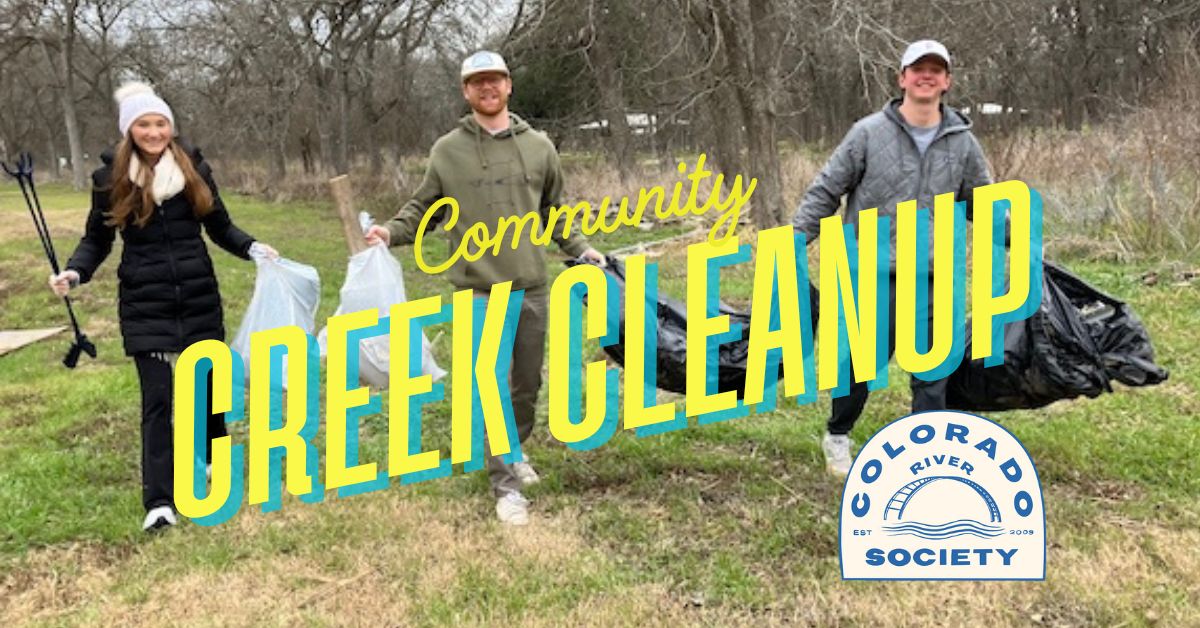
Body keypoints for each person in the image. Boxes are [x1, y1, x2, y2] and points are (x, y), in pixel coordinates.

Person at [365, 50, 605, 525]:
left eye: (494, 80)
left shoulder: (539, 146)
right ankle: (506, 487)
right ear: (465, 91)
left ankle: (513, 449)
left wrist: (582, 250)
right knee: (490, 386)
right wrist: (389, 232)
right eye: (477, 82)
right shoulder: (447, 151)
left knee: (526, 384)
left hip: (532, 287)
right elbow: (422, 209)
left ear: (508, 85)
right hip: (479, 292)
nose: (487, 88)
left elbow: (555, 212)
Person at [49, 82, 278, 531]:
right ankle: (159, 501)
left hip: (197, 296)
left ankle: (213, 461)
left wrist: (252, 248)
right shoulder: (110, 180)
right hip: (143, 301)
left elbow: (220, 226)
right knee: (157, 400)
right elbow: (97, 239)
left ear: (170, 128)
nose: (153, 132)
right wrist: (74, 273)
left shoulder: (194, 170)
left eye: (160, 123)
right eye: (143, 124)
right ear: (129, 130)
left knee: (207, 392)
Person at [791, 39, 993, 476]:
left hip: (935, 278)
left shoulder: (963, 144)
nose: (927, 76)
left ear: (947, 81)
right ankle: (838, 434)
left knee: (933, 375)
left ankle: (928, 457)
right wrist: (793, 241)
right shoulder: (867, 134)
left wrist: (1024, 240)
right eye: (918, 68)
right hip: (871, 273)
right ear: (902, 78)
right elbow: (827, 190)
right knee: (858, 368)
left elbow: (984, 204)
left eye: (936, 70)